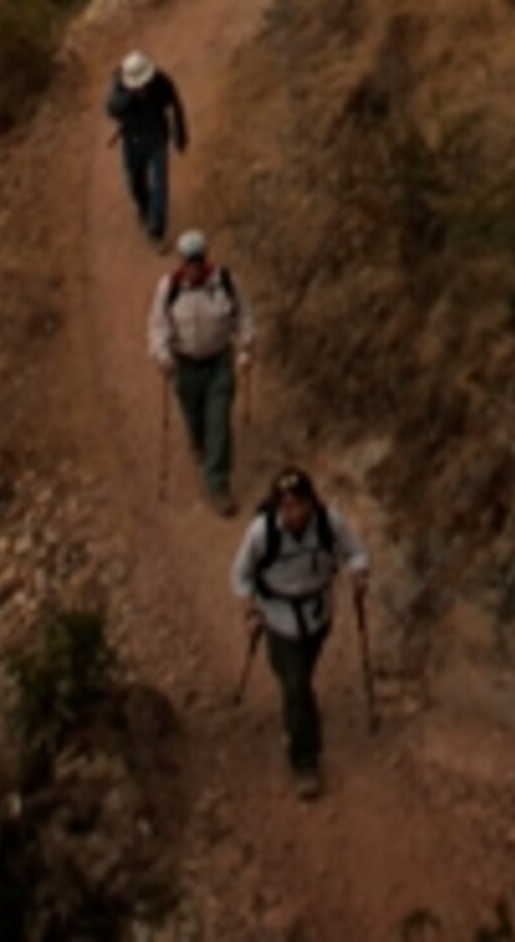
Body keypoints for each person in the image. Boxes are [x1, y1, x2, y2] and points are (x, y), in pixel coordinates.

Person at [232, 465, 371, 801]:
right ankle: (305, 760)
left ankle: (295, 721)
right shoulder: (261, 533)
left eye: (299, 503)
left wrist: (359, 573)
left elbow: (356, 551)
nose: (293, 512)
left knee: (301, 678)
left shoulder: (329, 522)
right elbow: (241, 574)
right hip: (278, 618)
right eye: (286, 505)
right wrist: (250, 610)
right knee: (295, 684)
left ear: (311, 503)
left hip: (318, 615)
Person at [148, 229, 254, 511]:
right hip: (186, 366)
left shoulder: (226, 282)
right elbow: (158, 327)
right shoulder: (169, 288)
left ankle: (217, 484)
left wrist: (245, 348)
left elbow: (243, 316)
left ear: (205, 259)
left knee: (218, 421)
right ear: (181, 262)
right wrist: (162, 355)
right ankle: (199, 444)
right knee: (194, 416)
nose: (193, 267)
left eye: (197, 260)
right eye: (188, 261)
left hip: (219, 362)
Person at [105, 47, 189, 246]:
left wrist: (180, 133)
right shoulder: (119, 87)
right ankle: (144, 208)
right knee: (136, 182)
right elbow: (111, 108)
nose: (144, 86)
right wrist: (131, 99)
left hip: (158, 138)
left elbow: (176, 105)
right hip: (133, 141)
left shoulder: (161, 81)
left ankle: (156, 229)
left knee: (160, 184)